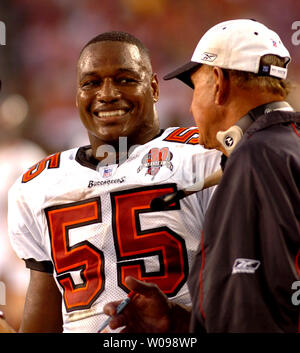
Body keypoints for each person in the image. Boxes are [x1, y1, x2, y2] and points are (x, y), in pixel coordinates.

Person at [2, 31, 221, 333]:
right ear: (76, 94)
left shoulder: (202, 158)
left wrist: (180, 321)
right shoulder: (37, 185)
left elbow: (244, 295)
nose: (107, 94)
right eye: (91, 83)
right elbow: (43, 320)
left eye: (125, 79)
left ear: (154, 88)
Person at [103, 19, 300, 333]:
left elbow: (254, 308)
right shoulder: (284, 148)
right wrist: (177, 320)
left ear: (219, 83)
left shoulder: (256, 158)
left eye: (195, 89)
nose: (192, 108)